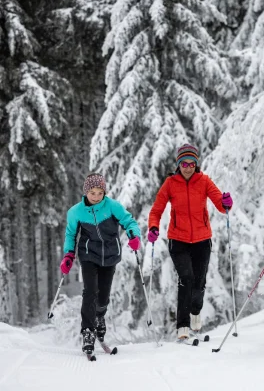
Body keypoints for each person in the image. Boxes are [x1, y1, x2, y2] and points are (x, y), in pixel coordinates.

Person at [147, 143, 233, 341]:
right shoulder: (170, 183)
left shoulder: (204, 181)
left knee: (199, 282)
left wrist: (226, 203)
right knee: (186, 278)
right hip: (178, 240)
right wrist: (153, 226)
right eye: (184, 163)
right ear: (178, 164)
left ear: (196, 164)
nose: (188, 167)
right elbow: (156, 210)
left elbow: (221, 204)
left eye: (191, 163)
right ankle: (182, 326)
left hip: (202, 240)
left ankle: (195, 311)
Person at [61, 173, 141, 355]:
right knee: (90, 291)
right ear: (86, 192)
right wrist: (68, 255)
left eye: (99, 193)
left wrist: (133, 235)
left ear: (104, 192)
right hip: (88, 255)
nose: (96, 197)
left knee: (103, 295)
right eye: (92, 193)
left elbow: (129, 221)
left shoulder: (113, 207)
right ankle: (88, 331)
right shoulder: (76, 212)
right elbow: (71, 235)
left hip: (110, 255)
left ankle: (99, 318)